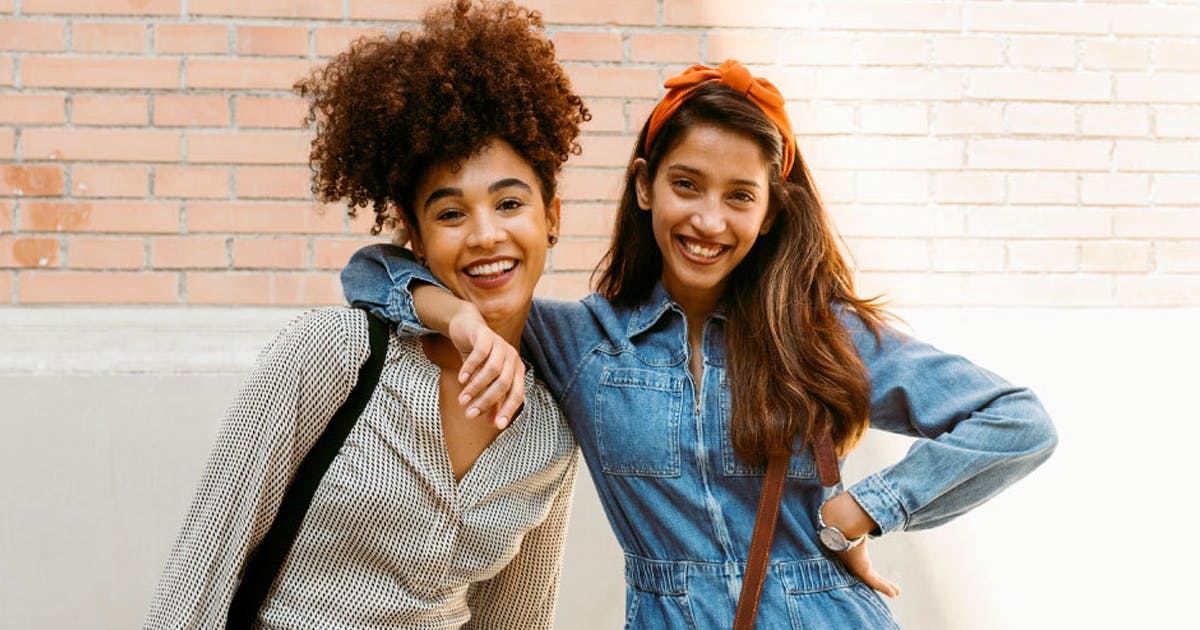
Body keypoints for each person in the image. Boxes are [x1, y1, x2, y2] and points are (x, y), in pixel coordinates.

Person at [341, 60, 1057, 628]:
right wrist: (462, 319)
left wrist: (867, 508)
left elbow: (1016, 421)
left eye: (739, 195)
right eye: (687, 185)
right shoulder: (582, 341)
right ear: (647, 188)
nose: (708, 220)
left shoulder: (819, 330)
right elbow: (373, 272)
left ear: (772, 210)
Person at [144, 1, 589, 628]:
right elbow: (203, 566)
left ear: (552, 219)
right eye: (451, 213)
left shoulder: (548, 430)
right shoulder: (334, 353)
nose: (486, 235)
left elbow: (518, 619)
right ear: (416, 236)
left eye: (510, 203)